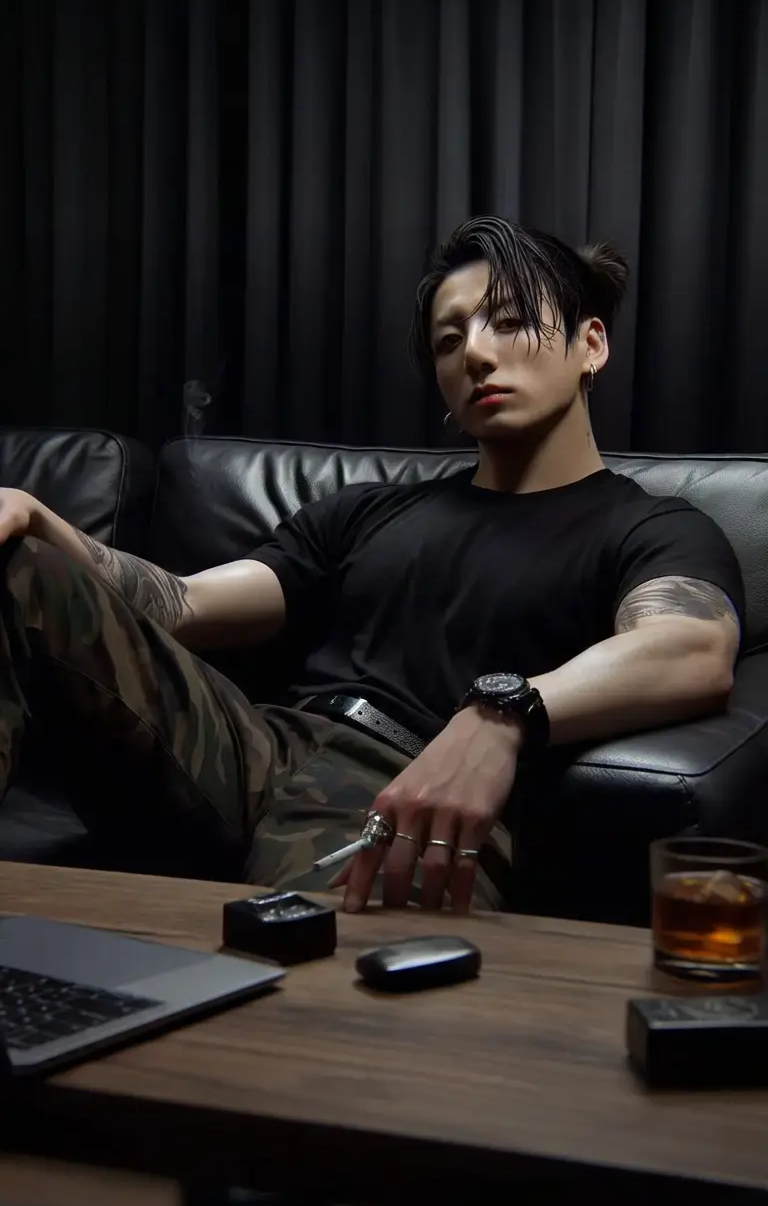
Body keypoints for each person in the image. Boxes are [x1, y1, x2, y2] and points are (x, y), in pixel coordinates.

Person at [0, 217, 743, 916]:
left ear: (592, 345)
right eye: (449, 340)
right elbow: (182, 605)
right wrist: (36, 516)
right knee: (24, 567)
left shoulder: (647, 526)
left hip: (406, 790)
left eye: (509, 321)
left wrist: (501, 714)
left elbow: (691, 648)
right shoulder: (366, 511)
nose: (474, 353)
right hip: (252, 746)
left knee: (320, 970)